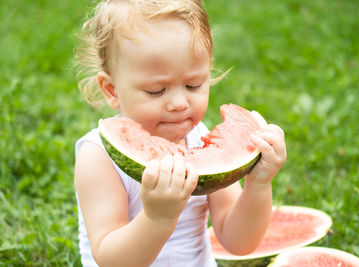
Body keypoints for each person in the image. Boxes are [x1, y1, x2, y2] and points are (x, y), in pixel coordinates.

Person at [73, 0, 287, 266]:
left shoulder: (200, 139)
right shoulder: (98, 157)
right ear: (112, 90)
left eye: (193, 85)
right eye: (156, 90)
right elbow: (110, 258)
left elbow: (239, 243)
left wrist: (258, 185)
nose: (179, 103)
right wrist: (157, 218)